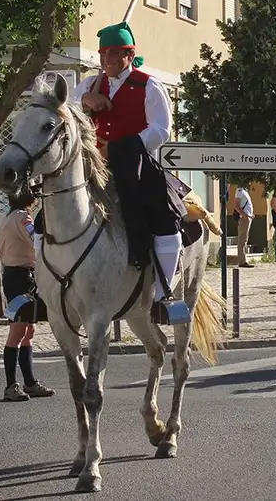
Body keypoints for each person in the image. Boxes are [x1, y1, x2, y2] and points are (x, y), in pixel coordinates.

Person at [74, 21, 188, 325]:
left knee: (166, 220)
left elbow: (161, 129)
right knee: (49, 216)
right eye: (103, 54)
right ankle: (45, 288)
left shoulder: (149, 85)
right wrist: (86, 101)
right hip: (91, 167)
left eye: (114, 53)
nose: (107, 59)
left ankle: (164, 295)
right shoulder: (88, 84)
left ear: (129, 53)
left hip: (135, 166)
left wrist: (122, 147)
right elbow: (67, 112)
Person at [0, 187, 56, 402]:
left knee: (28, 330)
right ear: (30, 199)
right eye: (36, 197)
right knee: (18, 330)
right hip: (20, 277)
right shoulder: (23, 218)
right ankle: (11, 386)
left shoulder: (8, 217)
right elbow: (36, 239)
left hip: (16, 274)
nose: (37, 201)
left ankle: (29, 383)